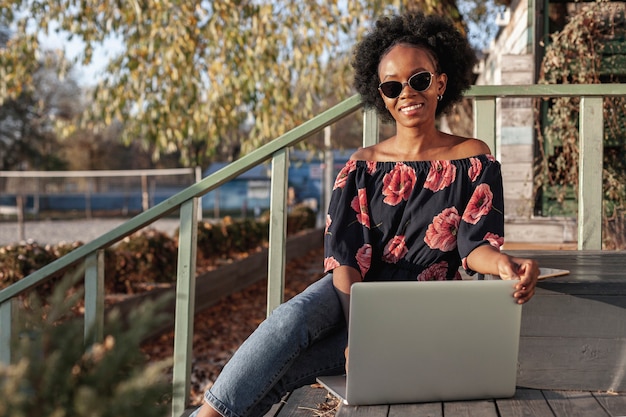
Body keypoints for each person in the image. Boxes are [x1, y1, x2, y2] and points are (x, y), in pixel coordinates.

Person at [191, 11, 539, 417]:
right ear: (382, 96)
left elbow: (473, 244)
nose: (407, 93)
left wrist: (503, 265)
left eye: (419, 80)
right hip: (354, 294)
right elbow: (345, 259)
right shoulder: (361, 167)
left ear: (441, 83)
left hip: (420, 304)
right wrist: (362, 331)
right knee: (291, 320)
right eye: (392, 86)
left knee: (286, 369)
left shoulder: (473, 158)